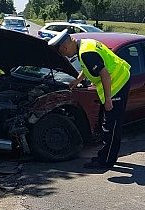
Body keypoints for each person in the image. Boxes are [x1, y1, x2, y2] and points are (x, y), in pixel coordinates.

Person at [49, 30, 131, 171]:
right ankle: (107, 156)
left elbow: (105, 75)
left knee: (111, 126)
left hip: (117, 84)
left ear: (65, 47)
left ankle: (105, 161)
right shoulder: (84, 44)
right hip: (120, 76)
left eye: (63, 54)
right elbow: (87, 67)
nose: (65, 56)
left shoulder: (86, 53)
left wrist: (108, 100)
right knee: (108, 122)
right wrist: (77, 81)